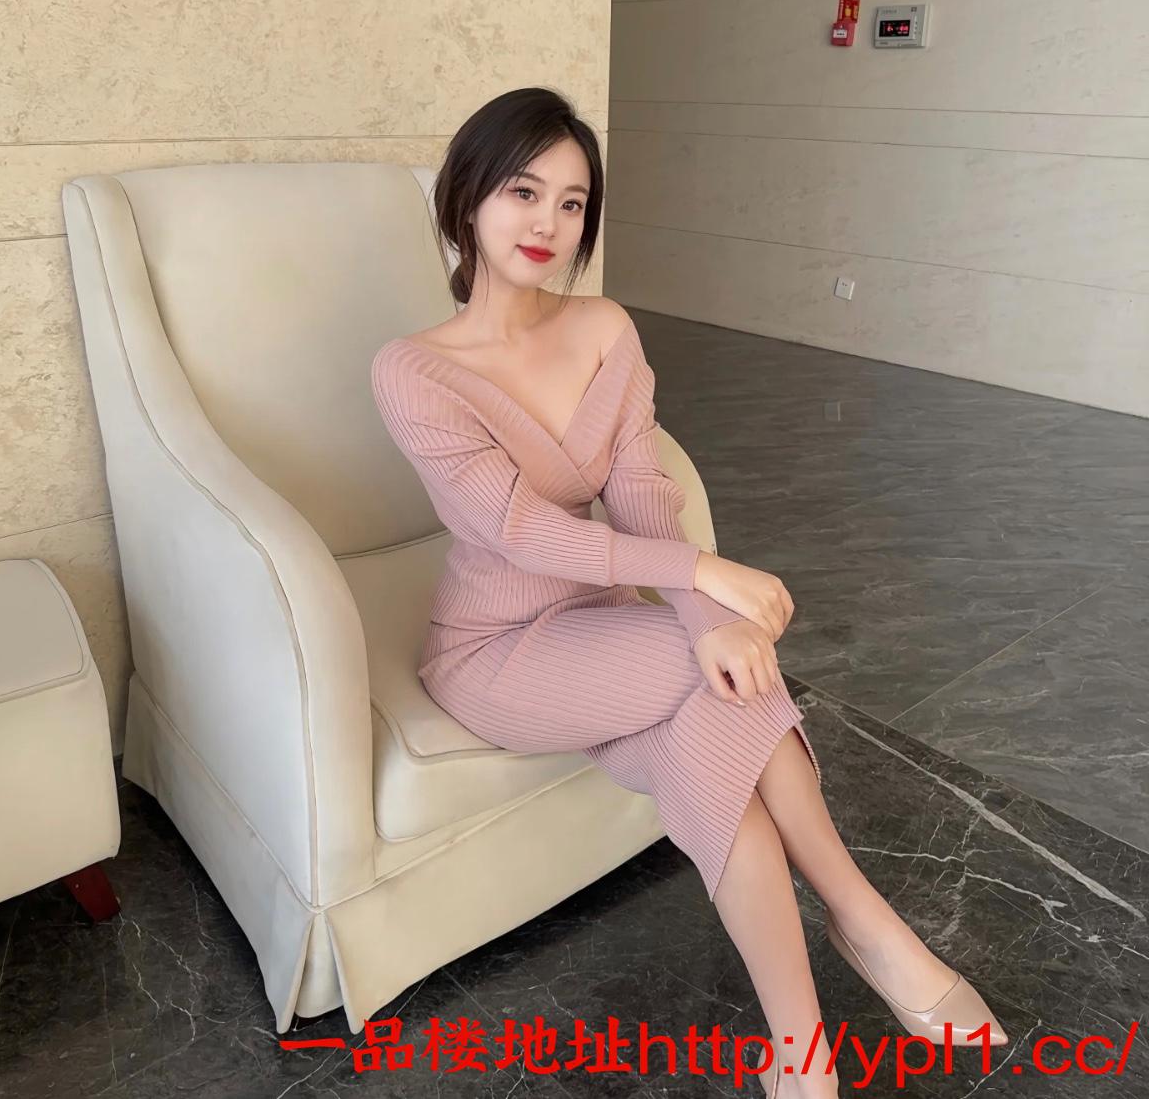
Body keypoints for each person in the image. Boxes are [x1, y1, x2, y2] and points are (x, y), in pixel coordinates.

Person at [370, 87, 1008, 1098]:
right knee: (717, 667)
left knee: (719, 747)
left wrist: (707, 613)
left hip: (605, 629)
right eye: (523, 191)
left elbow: (643, 495)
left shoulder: (605, 328)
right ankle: (869, 924)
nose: (547, 222)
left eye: (573, 203)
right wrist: (706, 583)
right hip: (495, 651)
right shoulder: (414, 370)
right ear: (467, 198)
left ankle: (800, 1059)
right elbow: (519, 529)